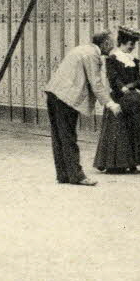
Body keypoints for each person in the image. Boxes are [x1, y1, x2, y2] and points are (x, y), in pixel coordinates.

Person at [43, 32, 120, 186]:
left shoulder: (83, 49)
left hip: (54, 94)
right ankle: (77, 176)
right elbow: (96, 83)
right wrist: (111, 104)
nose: (113, 47)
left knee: (59, 138)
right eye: (112, 43)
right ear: (104, 43)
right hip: (66, 98)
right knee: (69, 137)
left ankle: (64, 175)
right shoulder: (92, 55)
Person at [93, 26, 140, 173]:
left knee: (134, 129)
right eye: (130, 44)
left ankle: (132, 161)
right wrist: (123, 88)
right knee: (120, 130)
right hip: (119, 99)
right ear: (122, 43)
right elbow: (113, 79)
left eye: (134, 44)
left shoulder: (134, 61)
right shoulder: (112, 59)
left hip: (132, 100)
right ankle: (116, 164)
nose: (132, 47)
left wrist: (132, 85)